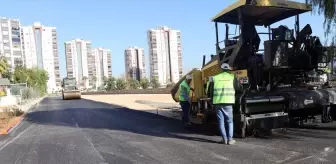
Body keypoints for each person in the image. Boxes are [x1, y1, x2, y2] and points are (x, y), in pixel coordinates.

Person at [208, 63, 242, 145]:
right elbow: (239, 89)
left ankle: (224, 139)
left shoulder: (215, 78)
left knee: (221, 122)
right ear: (228, 69)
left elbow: (210, 92)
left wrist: (211, 100)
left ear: (221, 69)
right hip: (228, 103)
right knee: (229, 122)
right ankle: (230, 140)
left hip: (218, 102)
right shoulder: (233, 77)